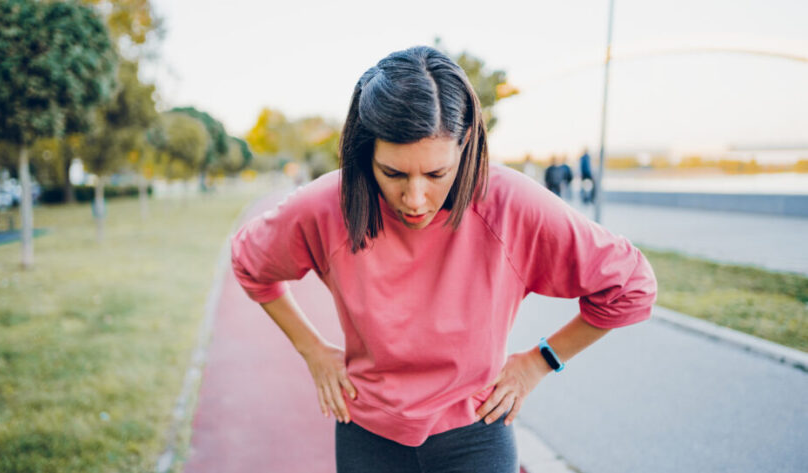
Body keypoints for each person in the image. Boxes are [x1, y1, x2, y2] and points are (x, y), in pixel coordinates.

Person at [230, 46, 657, 473]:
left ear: (466, 145)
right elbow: (250, 264)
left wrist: (538, 361)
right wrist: (312, 351)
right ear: (365, 155)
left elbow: (631, 286)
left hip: (477, 435)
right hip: (366, 434)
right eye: (393, 173)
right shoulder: (327, 206)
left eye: (436, 174)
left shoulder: (509, 203)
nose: (415, 201)